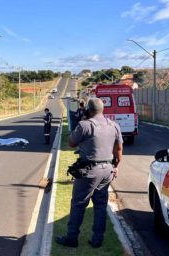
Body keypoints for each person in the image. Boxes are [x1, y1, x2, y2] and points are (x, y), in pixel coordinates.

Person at [56, 98, 123, 248]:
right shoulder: (114, 125)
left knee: (79, 204)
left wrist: (81, 121)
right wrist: (115, 166)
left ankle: (72, 238)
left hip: (89, 171)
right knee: (100, 205)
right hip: (107, 170)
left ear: (88, 110)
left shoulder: (85, 125)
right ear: (102, 110)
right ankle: (97, 239)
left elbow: (72, 142)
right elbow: (118, 151)